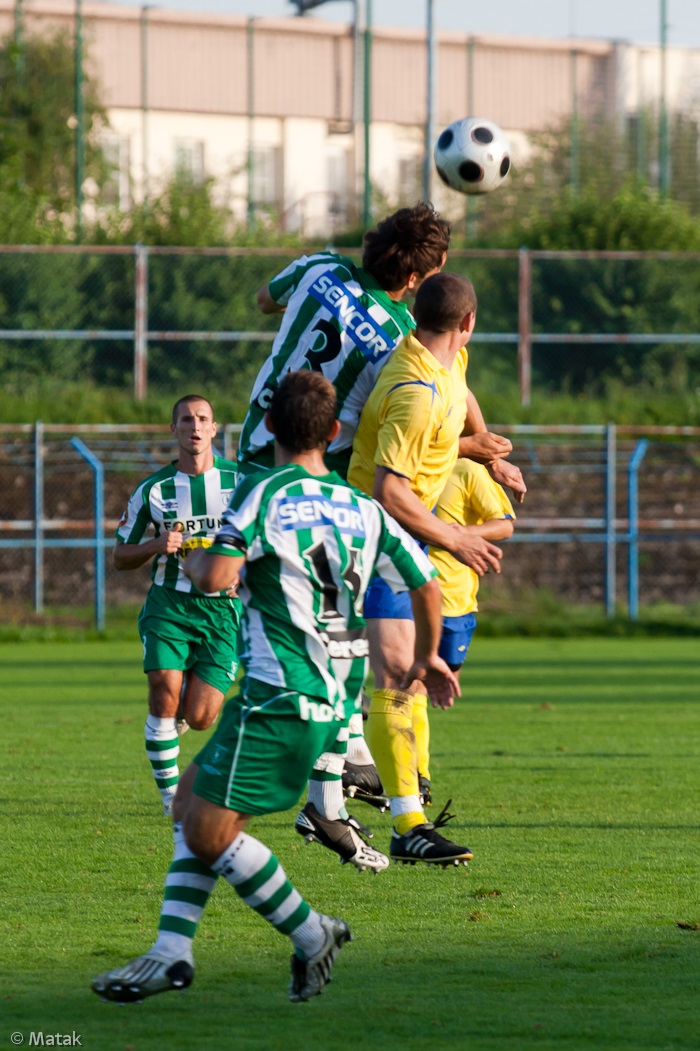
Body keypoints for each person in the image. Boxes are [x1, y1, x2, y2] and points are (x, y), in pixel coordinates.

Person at [91, 371, 463, 1007]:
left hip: (281, 697)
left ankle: (310, 932)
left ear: (266, 428)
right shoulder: (361, 506)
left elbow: (212, 577)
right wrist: (427, 653)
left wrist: (197, 558)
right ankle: (173, 951)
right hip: (330, 704)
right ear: (335, 432)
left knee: (206, 827)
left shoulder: (262, 495)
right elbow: (426, 581)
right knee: (189, 804)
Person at [347, 270, 504, 864]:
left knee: (408, 674)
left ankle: (393, 791)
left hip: (403, 539)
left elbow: (461, 399)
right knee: (392, 673)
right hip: (373, 536)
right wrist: (457, 537)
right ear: (468, 324)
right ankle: (402, 822)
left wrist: (485, 448)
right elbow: (390, 489)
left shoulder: (443, 362)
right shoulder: (416, 389)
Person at [114, 394, 241, 814]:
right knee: (162, 690)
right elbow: (120, 556)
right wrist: (156, 544)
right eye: (186, 420)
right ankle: (172, 801)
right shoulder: (154, 490)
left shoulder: (240, 482)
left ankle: (178, 714)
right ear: (174, 430)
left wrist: (246, 571)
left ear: (214, 428)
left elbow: (268, 539)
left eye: (203, 419)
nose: (195, 427)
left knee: (203, 717)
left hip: (223, 613)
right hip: (169, 606)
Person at [417, 459, 516, 805]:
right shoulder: (403, 464)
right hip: (408, 592)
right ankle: (417, 777)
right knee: (409, 684)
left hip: (455, 604)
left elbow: (503, 526)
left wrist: (456, 535)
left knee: (433, 686)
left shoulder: (466, 471)